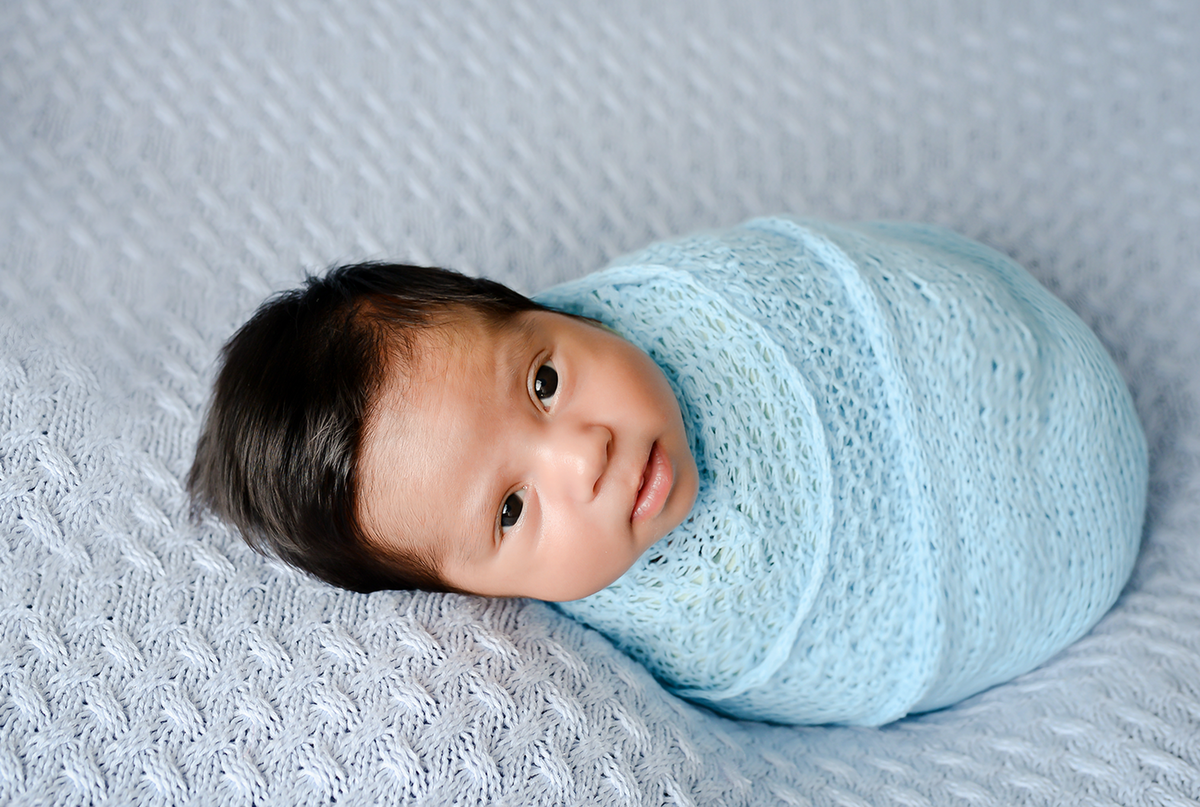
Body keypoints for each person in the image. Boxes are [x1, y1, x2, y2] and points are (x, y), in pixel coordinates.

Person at [189, 216, 1147, 725]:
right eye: (512, 510)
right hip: (1026, 574)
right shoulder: (682, 625)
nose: (584, 455)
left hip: (1002, 346)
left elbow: (814, 283)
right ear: (478, 595)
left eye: (544, 381)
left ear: (546, 310)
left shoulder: (695, 305)